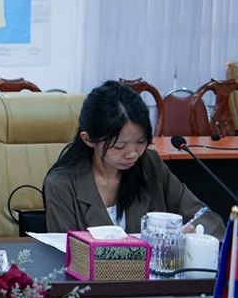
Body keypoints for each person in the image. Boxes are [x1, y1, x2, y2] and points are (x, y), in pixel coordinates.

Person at [44, 80, 224, 236]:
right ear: (88, 139)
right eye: (119, 146)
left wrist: (195, 232)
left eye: (141, 141)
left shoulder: (149, 163)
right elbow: (65, 251)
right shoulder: (62, 184)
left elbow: (206, 218)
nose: (133, 154)